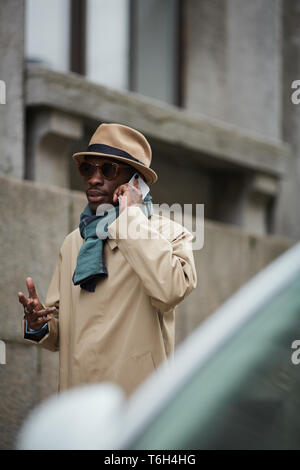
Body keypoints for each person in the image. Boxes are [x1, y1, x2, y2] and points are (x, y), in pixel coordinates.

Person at [18, 123, 197, 397]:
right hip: (78, 401)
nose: (94, 178)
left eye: (108, 169)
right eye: (88, 168)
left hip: (135, 402)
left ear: (135, 181)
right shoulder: (73, 242)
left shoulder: (170, 235)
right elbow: (58, 330)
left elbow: (169, 291)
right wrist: (38, 323)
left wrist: (131, 219)